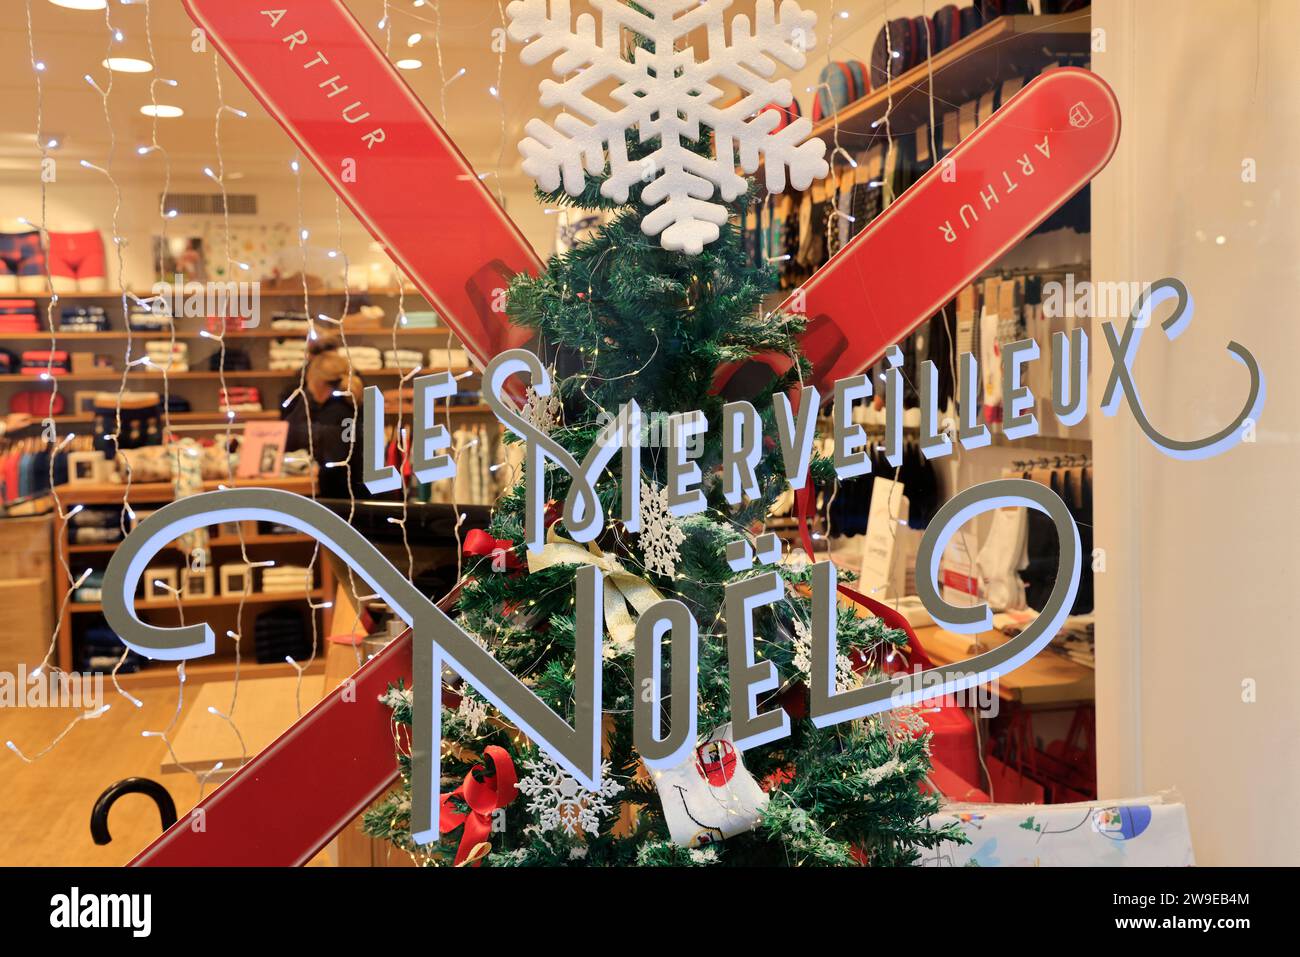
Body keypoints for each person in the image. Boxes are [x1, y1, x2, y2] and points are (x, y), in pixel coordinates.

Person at [280, 340, 370, 500]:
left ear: (317, 382)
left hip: (340, 498)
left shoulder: (340, 410)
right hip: (347, 494)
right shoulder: (348, 404)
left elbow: (290, 436)